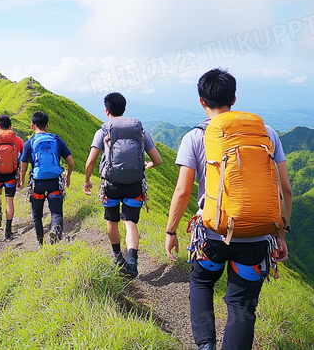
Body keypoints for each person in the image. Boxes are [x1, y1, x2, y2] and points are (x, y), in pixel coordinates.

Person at [164, 68, 292, 350]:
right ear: (234, 98)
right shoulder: (267, 133)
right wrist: (281, 233)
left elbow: (183, 191)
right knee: (242, 308)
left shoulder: (195, 137)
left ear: (201, 101)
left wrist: (171, 230)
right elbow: (284, 190)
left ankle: (206, 345)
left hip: (212, 235)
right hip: (257, 237)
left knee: (201, 282)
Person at [83, 92, 162, 278]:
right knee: (130, 222)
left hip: (110, 185)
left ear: (106, 110)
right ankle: (132, 261)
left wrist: (87, 181)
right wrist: (145, 167)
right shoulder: (139, 131)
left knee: (112, 221)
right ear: (124, 109)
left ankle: (118, 258)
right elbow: (157, 160)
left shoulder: (103, 131)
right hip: (134, 184)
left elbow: (91, 161)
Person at [17, 111, 74, 246]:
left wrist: (22, 180)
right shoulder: (57, 140)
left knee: (37, 216)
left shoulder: (29, 143)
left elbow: (23, 165)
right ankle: (54, 231)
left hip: (37, 184)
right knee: (57, 213)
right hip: (55, 182)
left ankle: (41, 244)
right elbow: (70, 162)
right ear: (47, 126)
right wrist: (69, 176)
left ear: (32, 126)